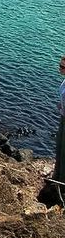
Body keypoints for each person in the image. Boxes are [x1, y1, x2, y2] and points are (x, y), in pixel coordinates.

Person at [54, 55, 65, 185]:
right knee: (59, 146)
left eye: (62, 67)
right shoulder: (64, 81)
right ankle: (57, 176)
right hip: (63, 116)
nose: (59, 68)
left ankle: (62, 182)